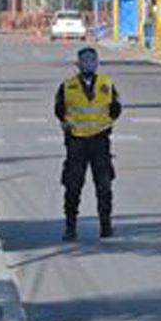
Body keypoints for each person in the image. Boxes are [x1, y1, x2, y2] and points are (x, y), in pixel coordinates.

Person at [55, 46, 122, 240]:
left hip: (99, 141)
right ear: (78, 64)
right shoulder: (68, 86)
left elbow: (115, 109)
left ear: (97, 63)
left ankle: (105, 225)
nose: (88, 63)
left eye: (92, 60)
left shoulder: (107, 84)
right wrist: (69, 127)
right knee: (73, 185)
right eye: (84, 60)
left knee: (104, 184)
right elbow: (59, 110)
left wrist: (104, 123)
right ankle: (70, 226)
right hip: (76, 142)